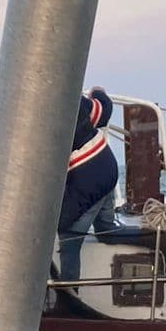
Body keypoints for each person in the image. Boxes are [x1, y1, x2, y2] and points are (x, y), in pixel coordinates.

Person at [57, 86, 119, 279]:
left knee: (68, 234)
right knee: (107, 231)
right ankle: (161, 241)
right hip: (107, 165)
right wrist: (97, 93)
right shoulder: (72, 98)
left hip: (86, 176)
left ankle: (69, 296)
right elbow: (104, 110)